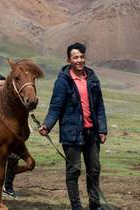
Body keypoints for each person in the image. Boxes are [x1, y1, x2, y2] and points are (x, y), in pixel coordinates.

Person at [38, 42, 107, 210]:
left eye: (82, 57)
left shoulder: (92, 78)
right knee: (73, 172)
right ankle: (76, 206)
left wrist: (103, 128)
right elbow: (55, 107)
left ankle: (95, 205)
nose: (79, 60)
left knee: (94, 169)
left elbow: (99, 106)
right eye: (75, 57)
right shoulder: (63, 82)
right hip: (71, 134)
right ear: (69, 59)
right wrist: (47, 125)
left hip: (91, 132)